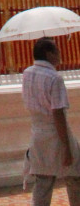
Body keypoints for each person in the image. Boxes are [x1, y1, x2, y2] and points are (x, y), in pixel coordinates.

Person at [22, 37, 80, 206]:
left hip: (38, 134)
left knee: (43, 181)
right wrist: (67, 148)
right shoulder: (55, 78)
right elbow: (58, 114)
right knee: (75, 176)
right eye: (56, 50)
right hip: (56, 133)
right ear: (48, 54)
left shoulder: (27, 74)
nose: (59, 54)